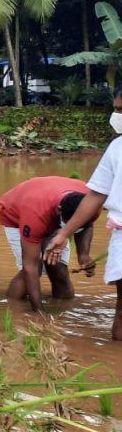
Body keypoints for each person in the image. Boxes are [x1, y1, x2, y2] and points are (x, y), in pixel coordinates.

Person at [45, 92, 122, 340]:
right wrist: (64, 234)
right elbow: (96, 195)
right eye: (117, 110)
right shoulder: (117, 148)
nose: (118, 116)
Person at [0, 176, 96, 312]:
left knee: (58, 268)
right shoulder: (34, 214)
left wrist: (83, 255)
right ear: (59, 210)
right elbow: (29, 267)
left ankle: (65, 311)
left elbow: (87, 226)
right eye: (69, 225)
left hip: (49, 208)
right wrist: (39, 312)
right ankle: (11, 308)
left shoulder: (92, 202)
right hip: (15, 215)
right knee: (36, 268)